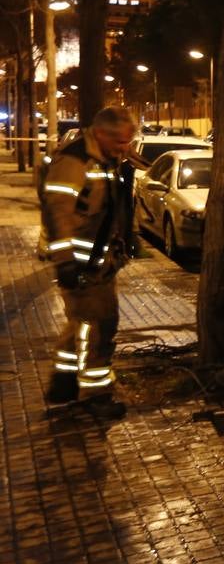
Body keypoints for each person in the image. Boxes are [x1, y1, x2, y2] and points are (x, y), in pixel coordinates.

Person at [40, 106, 138, 418]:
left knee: (81, 321)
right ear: (101, 133)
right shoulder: (75, 161)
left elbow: (115, 204)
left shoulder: (106, 159)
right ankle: (95, 394)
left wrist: (129, 235)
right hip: (83, 263)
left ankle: (65, 382)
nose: (126, 148)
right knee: (99, 325)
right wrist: (65, 262)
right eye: (121, 142)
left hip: (99, 260)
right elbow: (58, 214)